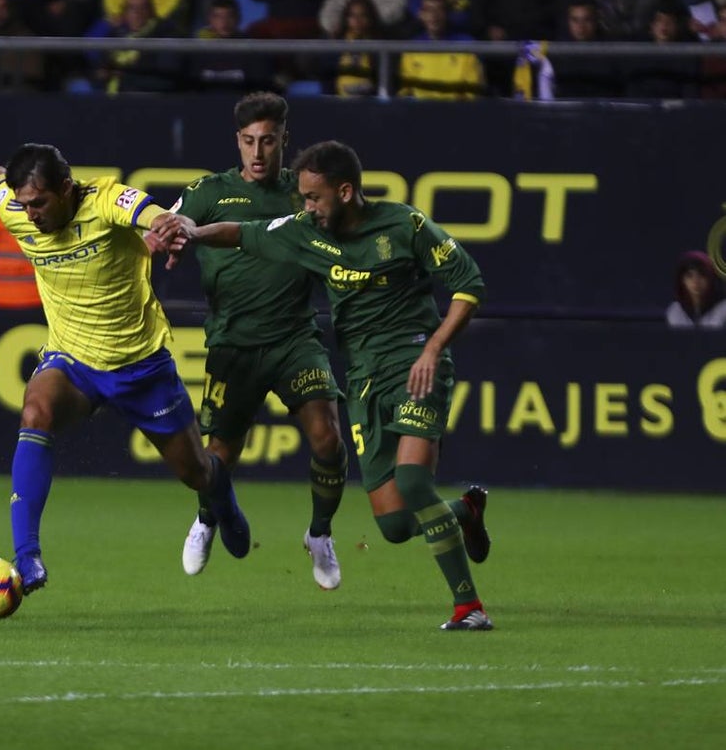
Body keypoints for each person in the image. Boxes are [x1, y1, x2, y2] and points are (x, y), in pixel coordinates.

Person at [157, 140, 494, 631]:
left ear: (346, 191)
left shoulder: (405, 225)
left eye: (315, 197)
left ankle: (469, 607)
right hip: (364, 376)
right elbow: (243, 233)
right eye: (304, 198)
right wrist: (192, 231)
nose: (308, 206)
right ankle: (464, 511)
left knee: (413, 482)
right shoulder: (304, 231)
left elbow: (469, 283)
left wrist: (434, 348)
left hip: (416, 364)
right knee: (396, 524)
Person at [0, 144, 251, 594]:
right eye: (24, 204)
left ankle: (221, 499)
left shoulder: (105, 200)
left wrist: (167, 226)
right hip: (73, 362)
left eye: (39, 203)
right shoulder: (15, 206)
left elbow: (150, 213)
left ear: (66, 189)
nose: (29, 214)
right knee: (36, 412)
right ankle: (27, 557)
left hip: (141, 368)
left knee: (196, 473)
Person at [162, 92, 347, 589]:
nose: (258, 152)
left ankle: (319, 534)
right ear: (237, 141)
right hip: (233, 345)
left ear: (285, 139)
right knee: (218, 456)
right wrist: (175, 230)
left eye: (268, 140)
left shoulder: (302, 193)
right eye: (249, 141)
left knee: (328, 438)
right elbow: (174, 222)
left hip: (295, 340)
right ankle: (206, 519)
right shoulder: (210, 191)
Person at [397, 0, 485, 100]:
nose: (434, 15)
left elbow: (473, 92)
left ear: (447, 13)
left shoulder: (466, 45)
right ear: (421, 15)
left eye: (439, 9)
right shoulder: (412, 48)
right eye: (428, 10)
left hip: (456, 109)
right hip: (421, 109)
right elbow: (406, 92)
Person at [666, 250, 726, 328]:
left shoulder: (723, 308)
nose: (696, 281)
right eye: (689, 276)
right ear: (682, 280)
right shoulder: (675, 310)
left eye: (702, 275)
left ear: (711, 279)